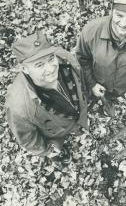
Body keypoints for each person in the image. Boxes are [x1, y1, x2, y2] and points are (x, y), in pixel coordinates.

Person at [5, 31, 88, 165]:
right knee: (57, 150)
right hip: (55, 135)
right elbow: (28, 139)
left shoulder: (65, 59)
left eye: (50, 59)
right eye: (39, 65)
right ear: (24, 69)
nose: (50, 68)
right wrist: (48, 150)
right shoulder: (18, 107)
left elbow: (80, 80)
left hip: (76, 117)